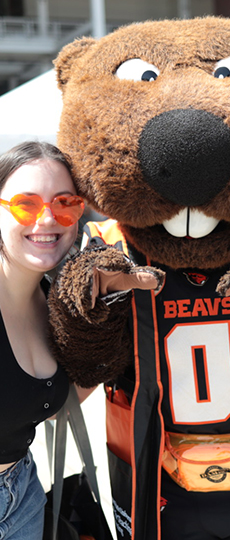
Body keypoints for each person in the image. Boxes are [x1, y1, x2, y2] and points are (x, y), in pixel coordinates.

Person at [0, 141, 85, 539]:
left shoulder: (57, 304)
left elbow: (42, 405)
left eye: (65, 202)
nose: (47, 218)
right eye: (26, 205)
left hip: (24, 497)